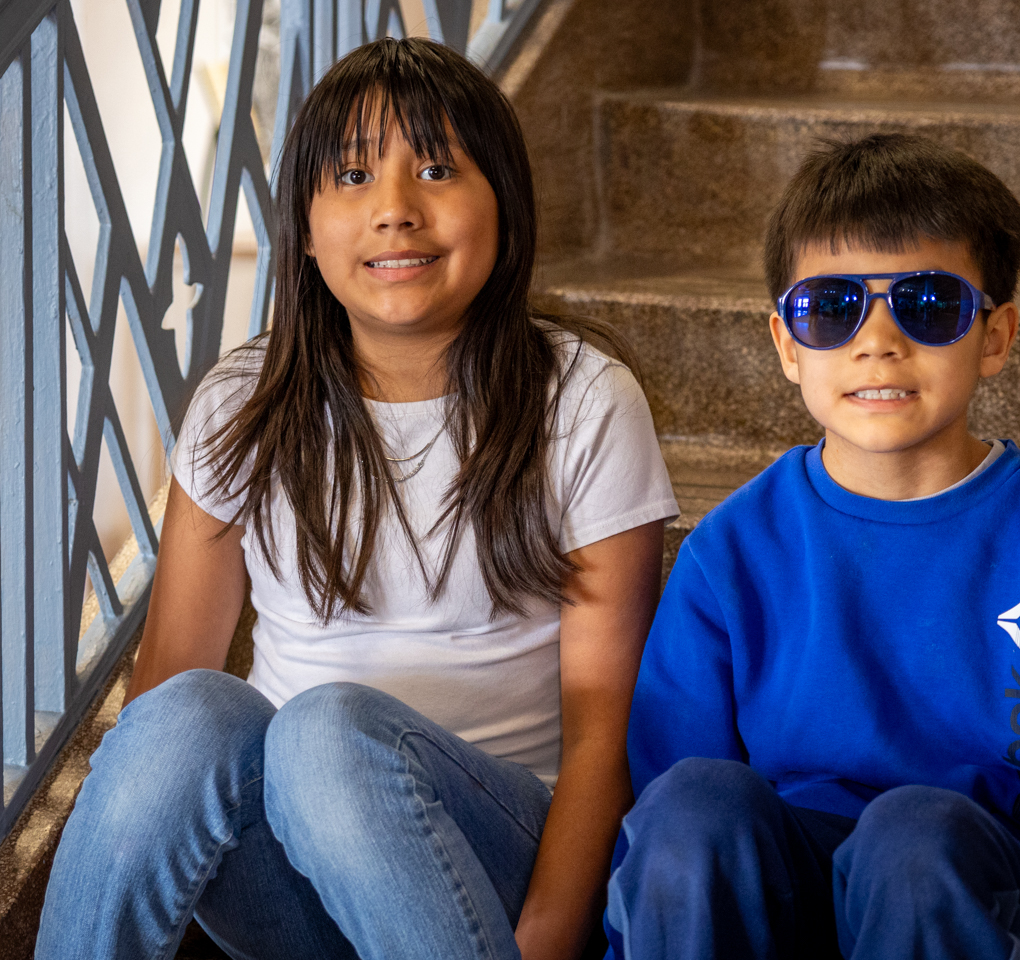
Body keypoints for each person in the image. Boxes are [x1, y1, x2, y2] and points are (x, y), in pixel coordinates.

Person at [37, 37, 678, 960]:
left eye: (437, 170)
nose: (394, 210)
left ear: (505, 204)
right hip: (289, 878)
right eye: (351, 176)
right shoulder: (241, 403)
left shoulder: (581, 401)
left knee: (326, 732)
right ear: (305, 228)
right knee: (182, 717)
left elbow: (605, 741)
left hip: (498, 869)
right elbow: (164, 713)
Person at [603, 134, 1020, 960]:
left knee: (913, 835)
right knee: (693, 801)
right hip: (783, 899)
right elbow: (662, 835)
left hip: (965, 902)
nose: (877, 340)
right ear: (786, 344)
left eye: (930, 304)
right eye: (831, 307)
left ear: (995, 336)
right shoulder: (726, 556)